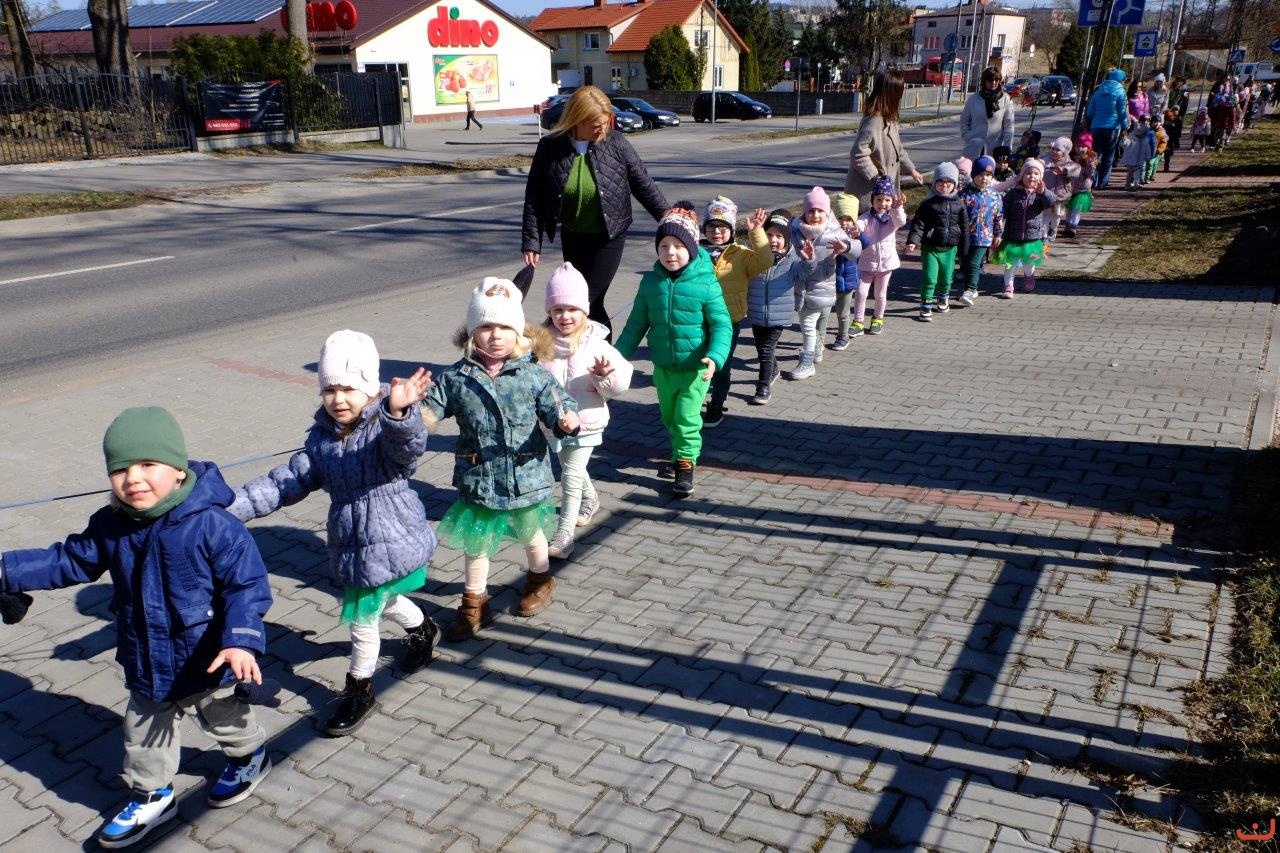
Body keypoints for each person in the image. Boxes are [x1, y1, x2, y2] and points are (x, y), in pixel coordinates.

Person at [0, 407, 273, 849]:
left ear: (178, 469)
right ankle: (153, 796)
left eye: (148, 465)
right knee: (143, 734)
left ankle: (250, 757)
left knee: (226, 720)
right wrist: (7, 572)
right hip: (147, 660)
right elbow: (69, 560)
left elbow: (246, 587)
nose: (133, 479)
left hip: (208, 659)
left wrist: (241, 641)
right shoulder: (112, 525)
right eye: (120, 469)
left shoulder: (213, 525)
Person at [229, 330, 438, 737]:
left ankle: (359, 690)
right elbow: (286, 481)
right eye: (330, 389)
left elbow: (408, 450)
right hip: (352, 542)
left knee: (362, 620)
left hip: (391, 534)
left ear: (369, 389)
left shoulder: (384, 428)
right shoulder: (321, 439)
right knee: (382, 601)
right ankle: (423, 627)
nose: (338, 399)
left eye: (348, 389)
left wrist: (398, 414)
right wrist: (230, 508)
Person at [423, 278, 581, 638]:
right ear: (472, 333)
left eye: (505, 327)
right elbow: (429, 408)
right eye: (485, 327)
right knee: (477, 542)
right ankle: (474, 603)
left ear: (518, 333)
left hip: (526, 474)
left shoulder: (532, 374)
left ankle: (540, 579)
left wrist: (566, 420)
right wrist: (405, 413)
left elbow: (559, 404)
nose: (496, 335)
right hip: (480, 477)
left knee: (531, 533)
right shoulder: (456, 377)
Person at [521, 86, 669, 334]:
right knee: (581, 301)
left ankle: (594, 355)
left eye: (606, 122)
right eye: (596, 124)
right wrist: (531, 241)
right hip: (573, 237)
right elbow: (534, 196)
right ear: (577, 119)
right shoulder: (550, 147)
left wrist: (670, 219)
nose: (603, 129)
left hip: (609, 236)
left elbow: (643, 184)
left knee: (586, 301)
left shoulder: (616, 142)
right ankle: (583, 353)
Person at [615, 204, 732, 498]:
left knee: (686, 418)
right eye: (664, 246)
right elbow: (635, 324)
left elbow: (722, 325)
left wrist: (715, 357)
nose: (670, 253)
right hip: (664, 368)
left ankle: (685, 465)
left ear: (691, 248)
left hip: (695, 369)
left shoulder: (706, 283)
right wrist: (616, 357)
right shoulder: (650, 282)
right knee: (669, 417)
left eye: (678, 246)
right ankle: (678, 453)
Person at [538, 263, 632, 559]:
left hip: (587, 423)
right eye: (558, 309)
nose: (565, 316)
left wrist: (605, 377)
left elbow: (621, 384)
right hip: (554, 424)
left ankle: (564, 535)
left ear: (585, 311)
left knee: (570, 475)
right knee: (570, 467)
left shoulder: (595, 345)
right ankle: (590, 498)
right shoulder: (539, 344)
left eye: (572, 309)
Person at [699, 195, 774, 426]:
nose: (717, 232)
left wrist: (756, 232)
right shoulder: (695, 252)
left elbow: (765, 260)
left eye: (723, 227)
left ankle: (716, 405)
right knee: (698, 363)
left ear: (731, 229)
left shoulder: (741, 253)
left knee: (722, 365)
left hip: (728, 321)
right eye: (711, 226)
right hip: (698, 319)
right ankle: (693, 402)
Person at [746, 209, 814, 405]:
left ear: (787, 239)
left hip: (779, 315)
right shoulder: (755, 256)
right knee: (762, 350)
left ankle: (763, 387)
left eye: (779, 236)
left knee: (766, 351)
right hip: (756, 312)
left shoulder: (792, 260)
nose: (773, 240)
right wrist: (754, 232)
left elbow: (805, 271)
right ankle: (773, 369)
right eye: (769, 234)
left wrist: (809, 260)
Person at [787, 187, 856, 378]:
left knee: (808, 325)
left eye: (820, 211)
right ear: (804, 212)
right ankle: (817, 349)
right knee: (810, 323)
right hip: (798, 286)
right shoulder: (795, 230)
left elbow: (856, 249)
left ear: (827, 212)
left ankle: (807, 363)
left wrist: (847, 247)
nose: (815, 215)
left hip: (821, 286)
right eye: (811, 211)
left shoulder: (834, 231)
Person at [845, 69, 925, 209]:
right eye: (900, 90)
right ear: (892, 93)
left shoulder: (889, 119)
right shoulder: (874, 121)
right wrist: (877, 177)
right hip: (868, 195)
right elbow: (858, 154)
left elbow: (898, 149)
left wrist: (912, 170)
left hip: (882, 195)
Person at [905, 161, 968, 321]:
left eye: (948, 182)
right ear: (935, 183)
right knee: (930, 278)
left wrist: (964, 248)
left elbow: (964, 228)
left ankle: (943, 297)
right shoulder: (928, 204)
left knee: (946, 278)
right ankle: (925, 306)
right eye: (940, 182)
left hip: (950, 248)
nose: (944, 185)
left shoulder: (959, 204)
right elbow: (918, 224)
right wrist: (913, 241)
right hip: (930, 248)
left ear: (954, 184)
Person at [991, 159, 1055, 296]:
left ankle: (1029, 277)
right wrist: (998, 226)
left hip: (1032, 239)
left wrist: (1043, 192)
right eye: (1028, 173)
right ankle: (1008, 286)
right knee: (1010, 265)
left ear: (1040, 177)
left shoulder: (1040, 195)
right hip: (1012, 237)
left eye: (1036, 174)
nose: (1032, 176)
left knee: (1029, 264)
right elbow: (1003, 211)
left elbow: (1051, 201)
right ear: (1021, 176)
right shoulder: (1013, 193)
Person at [854, 175, 908, 335]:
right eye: (878, 199)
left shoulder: (892, 218)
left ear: (892, 201)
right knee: (861, 292)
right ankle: (858, 321)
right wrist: (854, 230)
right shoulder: (866, 217)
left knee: (880, 294)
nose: (882, 204)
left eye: (887, 200)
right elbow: (858, 225)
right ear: (873, 200)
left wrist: (898, 208)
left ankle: (878, 319)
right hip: (866, 263)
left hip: (886, 264)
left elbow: (901, 222)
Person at [955, 156, 1004, 303]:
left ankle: (970, 291)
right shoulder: (963, 194)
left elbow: (998, 217)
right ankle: (969, 289)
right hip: (965, 236)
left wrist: (998, 234)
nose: (984, 178)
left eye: (988, 175)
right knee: (965, 263)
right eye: (980, 175)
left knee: (974, 263)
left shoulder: (995, 196)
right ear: (973, 175)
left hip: (984, 237)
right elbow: (956, 215)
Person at [1085, 68, 1130, 189]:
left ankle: (1092, 181)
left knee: (1096, 155)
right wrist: (1125, 126)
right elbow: (1122, 112)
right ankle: (1103, 182)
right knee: (1108, 156)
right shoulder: (1120, 92)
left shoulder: (1099, 91)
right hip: (1112, 127)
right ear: (1120, 80)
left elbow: (1090, 111)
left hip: (1096, 126)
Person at [960, 67, 1016, 160]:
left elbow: (1009, 126)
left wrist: (1007, 149)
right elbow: (964, 121)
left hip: (995, 149)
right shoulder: (973, 99)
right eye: (990, 80)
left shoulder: (1006, 99)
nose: (993, 82)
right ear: (984, 81)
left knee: (990, 169)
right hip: (973, 147)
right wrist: (967, 136)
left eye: (996, 79)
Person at [830, 191, 862, 349]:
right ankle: (817, 340)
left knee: (843, 312)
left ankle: (843, 336)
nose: (844, 223)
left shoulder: (856, 235)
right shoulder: (829, 232)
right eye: (840, 218)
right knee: (823, 312)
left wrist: (857, 238)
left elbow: (864, 244)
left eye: (848, 219)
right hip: (829, 280)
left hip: (848, 280)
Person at [1041, 136, 1079, 240]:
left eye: (1057, 150)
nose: (1053, 151)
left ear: (1065, 152)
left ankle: (1053, 229)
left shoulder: (1068, 163)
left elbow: (1076, 171)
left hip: (1060, 195)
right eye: (1053, 148)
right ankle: (1043, 234)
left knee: (1056, 215)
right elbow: (1039, 163)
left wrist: (1064, 172)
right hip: (1046, 193)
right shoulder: (1046, 159)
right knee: (1045, 214)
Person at [1063, 135, 1096, 238]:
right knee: (1069, 208)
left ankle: (1073, 226)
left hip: (1082, 189)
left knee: (1076, 209)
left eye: (1083, 147)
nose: (1080, 149)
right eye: (1077, 146)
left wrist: (1089, 164)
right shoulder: (1071, 158)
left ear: (1088, 148)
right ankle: (1068, 224)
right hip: (1071, 188)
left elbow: (1090, 174)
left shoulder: (1090, 160)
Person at [1120, 116, 1155, 190]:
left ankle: (1136, 184)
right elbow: (1125, 145)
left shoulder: (1145, 140)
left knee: (1137, 173)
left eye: (1143, 134)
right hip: (1130, 159)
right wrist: (1123, 140)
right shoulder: (1131, 138)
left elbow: (1147, 149)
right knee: (1130, 173)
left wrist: (1148, 157)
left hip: (1140, 160)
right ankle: (1127, 185)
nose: (1141, 135)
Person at [1148, 117, 1168, 184]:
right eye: (1154, 122)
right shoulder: (1148, 130)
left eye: (1158, 122)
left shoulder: (1162, 131)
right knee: (1149, 163)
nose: (1156, 123)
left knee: (1154, 163)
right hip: (1148, 150)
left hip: (1157, 151)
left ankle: (1152, 175)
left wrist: (1159, 150)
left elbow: (1164, 142)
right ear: (1151, 123)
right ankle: (1147, 175)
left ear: (1161, 123)